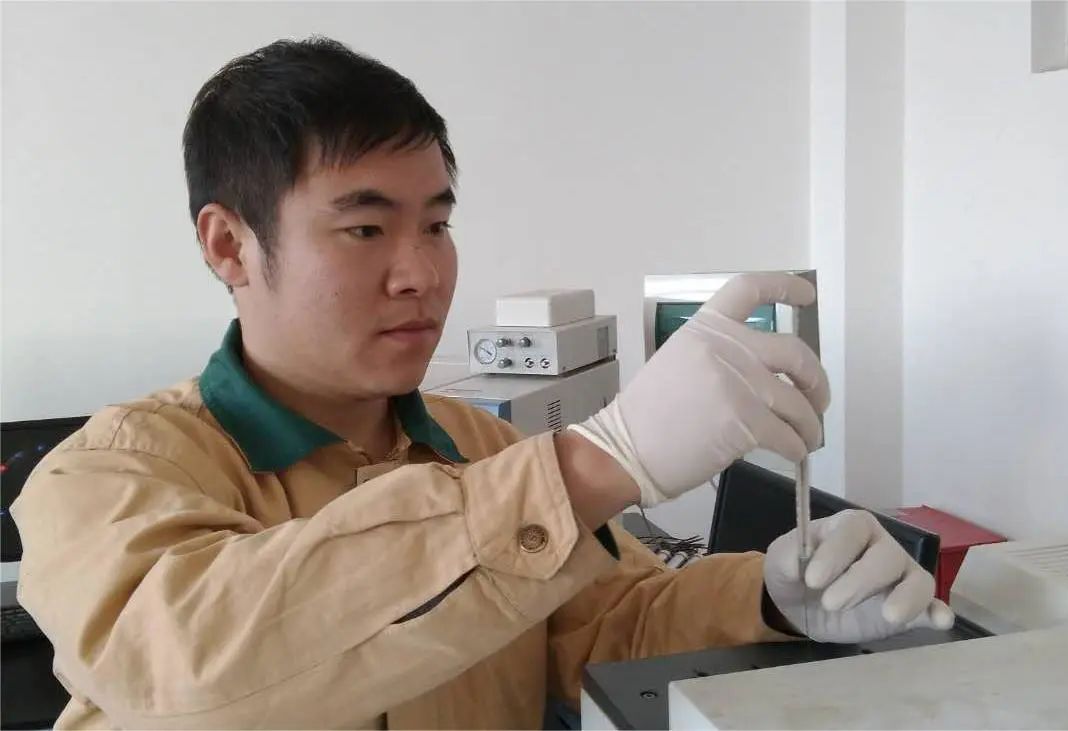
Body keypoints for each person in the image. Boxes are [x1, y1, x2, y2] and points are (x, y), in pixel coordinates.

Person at [12, 37, 953, 730]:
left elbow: (606, 622)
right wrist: (595, 463)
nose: (421, 272)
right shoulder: (107, 473)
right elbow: (194, 666)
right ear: (229, 244)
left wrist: (772, 598)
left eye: (436, 224)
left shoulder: (480, 447)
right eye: (366, 229)